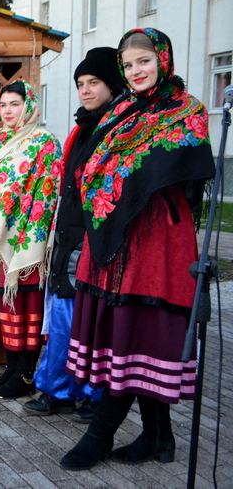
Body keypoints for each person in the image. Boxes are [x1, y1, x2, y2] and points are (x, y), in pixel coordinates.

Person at [59, 28, 215, 471]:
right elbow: (94, 166)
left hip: (156, 243)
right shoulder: (122, 111)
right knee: (132, 336)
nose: (136, 71)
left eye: (143, 61)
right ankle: (157, 436)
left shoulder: (186, 111)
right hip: (113, 245)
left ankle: (99, 435)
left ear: (162, 59)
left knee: (135, 331)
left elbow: (171, 171)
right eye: (128, 65)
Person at [24, 48, 126, 421]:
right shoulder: (81, 129)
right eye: (80, 84)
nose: (85, 90)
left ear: (112, 85)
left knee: (90, 320)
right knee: (65, 317)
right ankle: (59, 388)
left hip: (93, 242)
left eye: (93, 83)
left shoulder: (117, 129)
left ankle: (90, 393)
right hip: (69, 237)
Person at [0, 80, 61, 400]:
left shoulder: (45, 142)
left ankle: (26, 373)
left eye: (15, 104)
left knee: (23, 301)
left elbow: (47, 193)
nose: (9, 111)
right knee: (4, 302)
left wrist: (27, 235)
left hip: (26, 235)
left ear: (29, 105)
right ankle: (12, 368)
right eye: (4, 105)